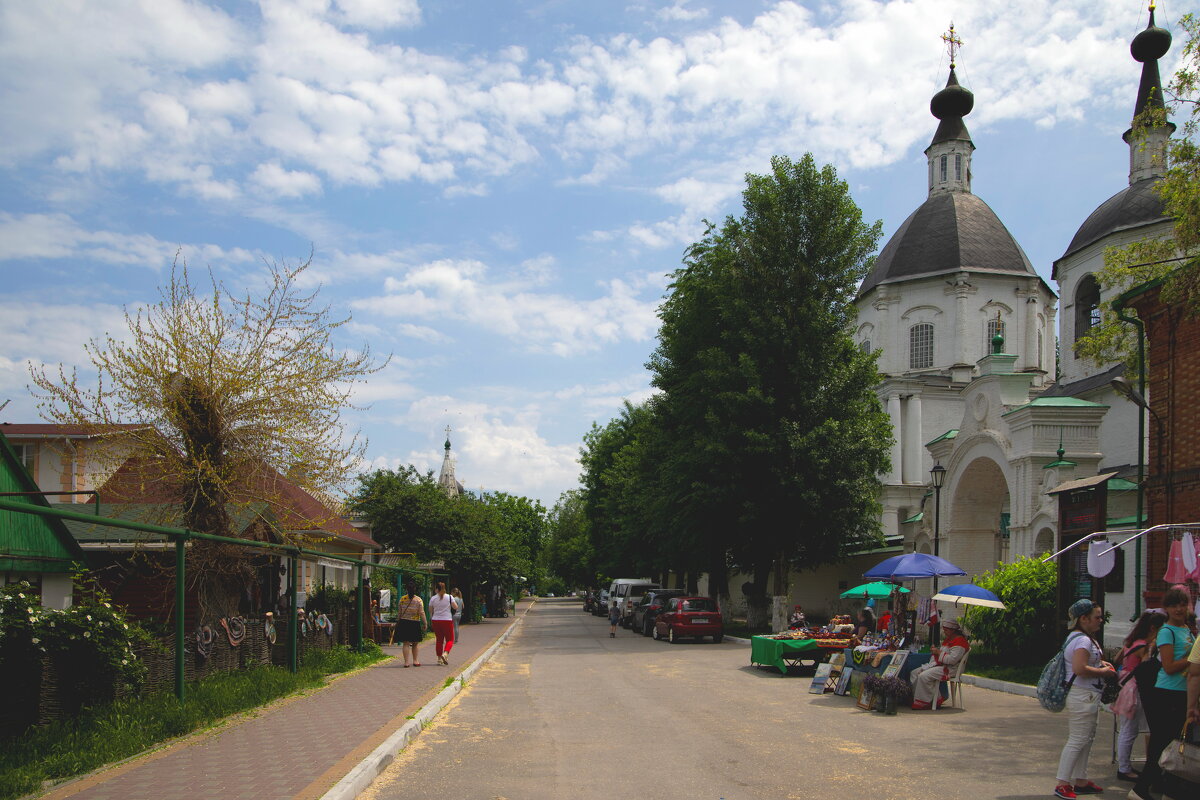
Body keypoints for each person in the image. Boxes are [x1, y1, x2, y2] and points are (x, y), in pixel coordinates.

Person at [1130, 586, 1196, 800]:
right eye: (1174, 605)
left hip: (1183, 692)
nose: (1179, 609)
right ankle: (1141, 788)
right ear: (1166, 608)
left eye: (1182, 604)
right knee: (1162, 743)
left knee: (1175, 743)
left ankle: (1166, 787)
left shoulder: (1186, 629)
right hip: (1167, 692)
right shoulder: (1166, 632)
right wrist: (1194, 659)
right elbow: (1168, 666)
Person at [1051, 598, 1116, 799]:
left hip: (1087, 695)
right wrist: (1103, 672)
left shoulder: (1081, 638)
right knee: (1078, 740)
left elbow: (1084, 661)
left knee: (1086, 739)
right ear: (1084, 619)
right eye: (1097, 617)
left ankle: (1080, 780)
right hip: (1083, 695)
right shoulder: (1083, 640)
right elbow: (1080, 668)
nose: (1100, 620)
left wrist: (1100, 662)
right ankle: (1063, 783)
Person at [1114, 609, 1167, 782]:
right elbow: (1146, 668)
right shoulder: (1143, 646)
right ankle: (1124, 769)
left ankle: (1124, 766)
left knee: (1127, 729)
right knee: (1129, 730)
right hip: (1134, 689)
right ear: (1153, 628)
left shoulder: (1131, 642)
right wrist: (1151, 650)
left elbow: (1117, 658)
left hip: (1125, 686)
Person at [910, 619, 970, 710]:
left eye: (946, 630)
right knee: (914, 673)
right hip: (941, 665)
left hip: (950, 669)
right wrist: (936, 651)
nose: (944, 632)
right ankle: (922, 698)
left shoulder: (960, 642)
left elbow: (952, 660)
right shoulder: (949, 639)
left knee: (923, 676)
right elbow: (944, 652)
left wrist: (938, 652)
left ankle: (925, 702)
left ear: (953, 630)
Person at [396, 581, 426, 667]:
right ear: (415, 589)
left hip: (404, 622)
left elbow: (399, 612)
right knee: (415, 643)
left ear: (406, 589)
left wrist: (398, 621)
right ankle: (415, 661)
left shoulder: (402, 599)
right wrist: (425, 623)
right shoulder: (418, 600)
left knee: (406, 643)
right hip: (415, 623)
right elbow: (421, 612)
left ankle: (406, 662)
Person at [428, 581, 456, 666]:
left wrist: (432, 617)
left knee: (439, 640)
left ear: (437, 589)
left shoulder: (433, 598)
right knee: (450, 639)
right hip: (447, 619)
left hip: (436, 620)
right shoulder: (449, 597)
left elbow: (430, 610)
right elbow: (455, 607)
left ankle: (439, 659)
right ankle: (445, 653)